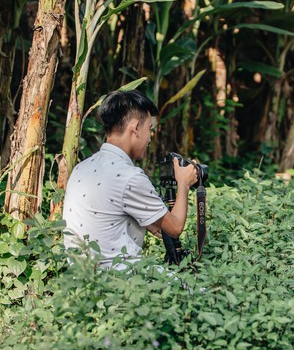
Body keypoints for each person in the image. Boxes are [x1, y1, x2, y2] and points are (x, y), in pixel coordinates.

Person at [62, 90, 198, 269]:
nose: (149, 138)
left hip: (81, 278)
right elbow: (174, 227)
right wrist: (184, 183)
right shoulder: (129, 176)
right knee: (201, 292)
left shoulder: (81, 168)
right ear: (134, 128)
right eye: (149, 129)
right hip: (121, 279)